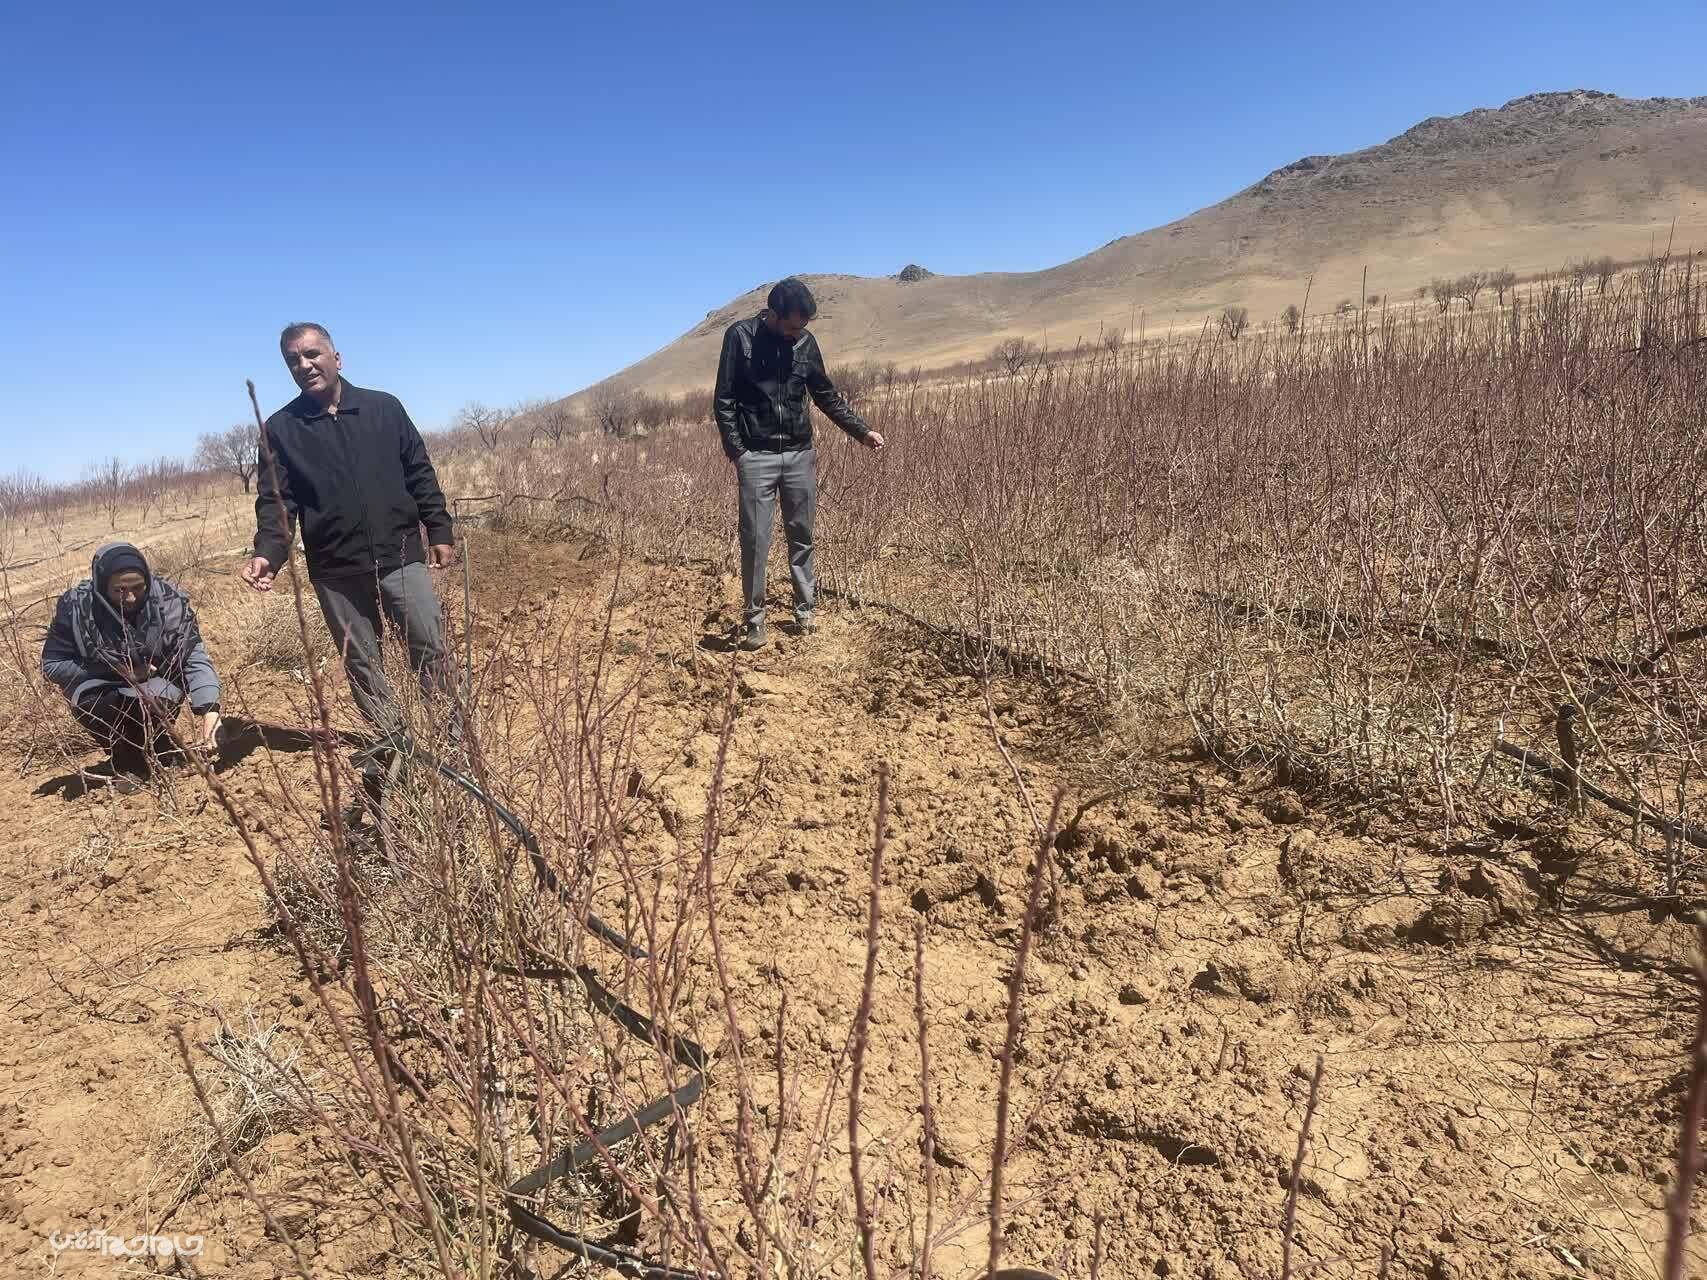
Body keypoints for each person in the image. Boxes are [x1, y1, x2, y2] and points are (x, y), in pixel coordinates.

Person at [242, 323, 456, 756]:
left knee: (429, 646)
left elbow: (419, 471)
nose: (304, 365)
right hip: (335, 569)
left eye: (312, 354)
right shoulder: (280, 429)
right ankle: (395, 748)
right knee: (362, 662)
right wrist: (268, 553)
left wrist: (438, 527)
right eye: (293, 361)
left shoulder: (384, 408)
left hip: (400, 554)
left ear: (336, 358)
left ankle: (452, 742)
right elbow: (277, 502)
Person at [714, 277, 885, 650]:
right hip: (755, 456)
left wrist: (861, 431)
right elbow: (724, 399)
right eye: (792, 327)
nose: (797, 334)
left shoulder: (806, 343)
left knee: (802, 535)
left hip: (799, 454)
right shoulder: (740, 337)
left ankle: (805, 611)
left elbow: (825, 394)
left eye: (803, 327)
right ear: (773, 315)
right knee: (755, 541)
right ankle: (754, 621)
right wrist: (738, 452)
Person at [41, 543, 222, 793]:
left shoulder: (168, 601)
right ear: (101, 585)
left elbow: (193, 657)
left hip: (155, 682)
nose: (131, 598)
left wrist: (210, 710)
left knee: (156, 699)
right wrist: (117, 670)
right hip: (101, 684)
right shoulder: (76, 607)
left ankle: (158, 745)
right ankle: (126, 761)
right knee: (96, 704)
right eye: (119, 590)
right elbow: (52, 665)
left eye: (138, 587)